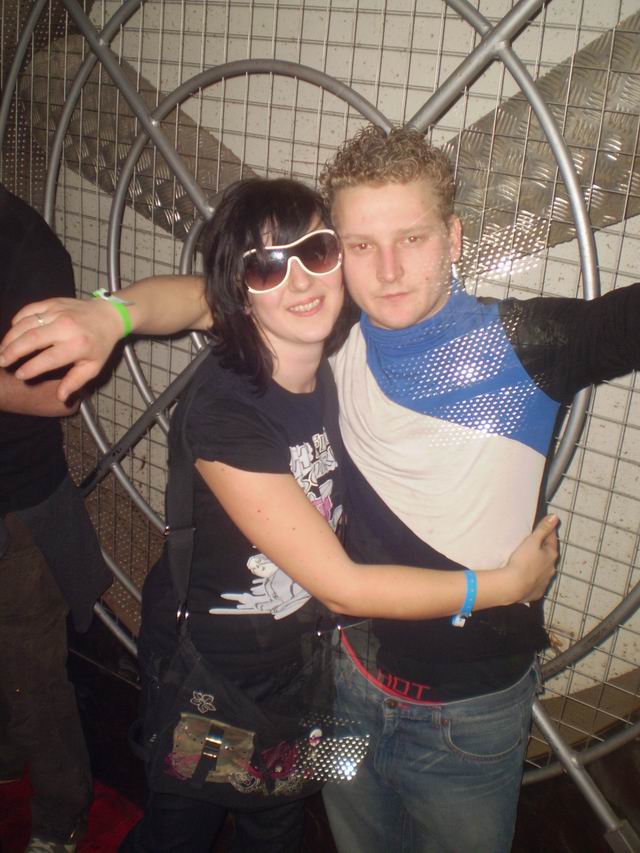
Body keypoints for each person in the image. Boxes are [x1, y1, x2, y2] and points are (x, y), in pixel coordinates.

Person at [0, 173, 559, 853]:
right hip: (217, 680)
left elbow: (194, 297)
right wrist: (504, 585)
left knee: (278, 822)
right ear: (241, 293)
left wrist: (118, 315)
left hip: (305, 672)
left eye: (316, 252)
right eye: (266, 265)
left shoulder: (328, 333)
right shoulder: (226, 413)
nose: (298, 280)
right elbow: (343, 586)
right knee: (182, 829)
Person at [0, 184, 112, 853]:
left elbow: (59, 396)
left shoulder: (22, 243)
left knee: (33, 676)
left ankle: (60, 818)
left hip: (15, 505)